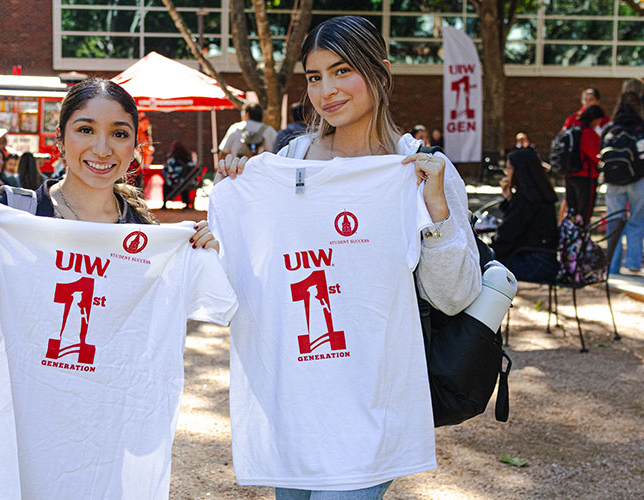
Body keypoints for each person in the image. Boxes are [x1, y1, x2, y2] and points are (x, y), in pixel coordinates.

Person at [214, 15, 480, 500]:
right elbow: (253, 272)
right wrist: (236, 197)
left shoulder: (419, 168)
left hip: (373, 401)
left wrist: (437, 211)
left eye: (341, 71)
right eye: (314, 77)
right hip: (294, 398)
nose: (326, 91)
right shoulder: (291, 159)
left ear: (380, 70)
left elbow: (454, 296)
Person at [0, 77, 220, 499]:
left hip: (98, 430)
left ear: (135, 147)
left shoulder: (144, 236)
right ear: (59, 141)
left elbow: (148, 336)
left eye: (119, 134)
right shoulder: (16, 216)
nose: (102, 149)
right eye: (86, 129)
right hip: (5, 423)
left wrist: (198, 253)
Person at [492, 148, 560, 282]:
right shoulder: (542, 193)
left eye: (509, 168)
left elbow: (507, 233)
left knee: (484, 268)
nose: (507, 173)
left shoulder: (525, 198)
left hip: (532, 262)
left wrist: (488, 251)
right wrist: (510, 200)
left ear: (519, 170)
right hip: (548, 260)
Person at [604, 91, 644, 275]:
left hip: (613, 181)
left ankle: (612, 265)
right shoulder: (640, 128)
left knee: (614, 223)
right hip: (637, 179)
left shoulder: (610, 128)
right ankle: (633, 263)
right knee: (636, 221)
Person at [565, 105, 605, 225]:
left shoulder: (572, 131)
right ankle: (581, 241)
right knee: (584, 214)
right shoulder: (588, 134)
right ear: (595, 119)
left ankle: (570, 239)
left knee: (572, 212)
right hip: (585, 177)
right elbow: (596, 155)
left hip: (569, 175)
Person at [162, 140, 196, 209]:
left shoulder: (172, 159)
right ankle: (186, 203)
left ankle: (164, 204)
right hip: (185, 182)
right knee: (184, 186)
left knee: (166, 185)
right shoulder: (187, 158)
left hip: (174, 182)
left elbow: (167, 171)